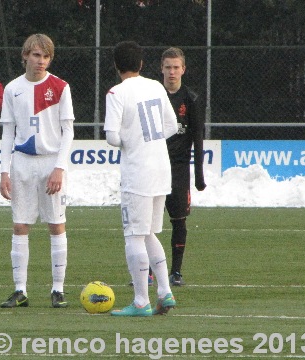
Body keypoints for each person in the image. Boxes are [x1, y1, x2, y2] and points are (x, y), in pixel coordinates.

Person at [0, 34, 75, 309]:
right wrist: (4, 171)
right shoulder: (12, 89)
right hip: (22, 163)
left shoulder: (60, 87)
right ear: (25, 56)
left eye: (45, 56)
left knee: (56, 225)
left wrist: (59, 168)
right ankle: (20, 290)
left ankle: (58, 289)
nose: (40, 61)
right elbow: (8, 131)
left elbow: (68, 131)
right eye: (35, 55)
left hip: (51, 161)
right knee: (20, 225)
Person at [104, 41, 178, 316]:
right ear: (142, 64)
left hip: (138, 173)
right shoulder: (156, 87)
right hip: (161, 169)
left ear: (116, 65)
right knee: (149, 233)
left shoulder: (116, 92)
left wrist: (132, 140)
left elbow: (112, 136)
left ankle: (140, 302)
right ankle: (165, 292)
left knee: (133, 235)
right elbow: (171, 126)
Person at [161, 47, 206, 286]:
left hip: (178, 169)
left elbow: (198, 138)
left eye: (176, 67)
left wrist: (199, 175)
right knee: (149, 221)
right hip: (154, 166)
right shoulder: (154, 96)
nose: (172, 72)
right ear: (161, 69)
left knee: (179, 220)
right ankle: (148, 270)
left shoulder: (192, 99)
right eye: (168, 67)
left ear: (183, 69)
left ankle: (176, 272)